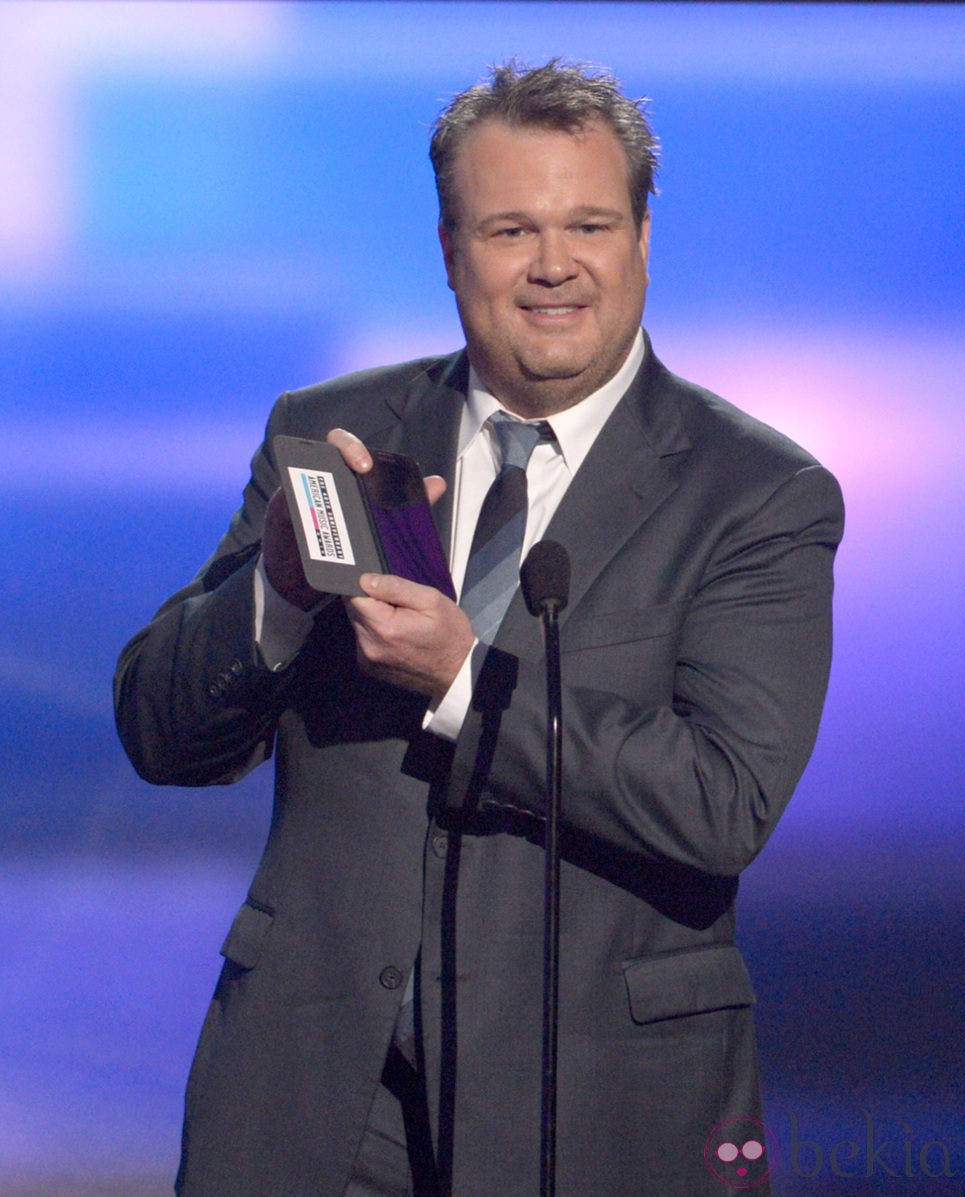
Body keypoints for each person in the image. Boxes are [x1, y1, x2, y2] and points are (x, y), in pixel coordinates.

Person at [114, 60, 843, 1197]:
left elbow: (718, 802)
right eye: (509, 229)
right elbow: (161, 733)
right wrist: (271, 595)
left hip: (594, 1101)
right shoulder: (331, 432)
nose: (552, 265)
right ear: (451, 250)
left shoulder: (751, 492)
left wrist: (465, 684)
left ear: (643, 237)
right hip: (312, 1096)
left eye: (588, 224)